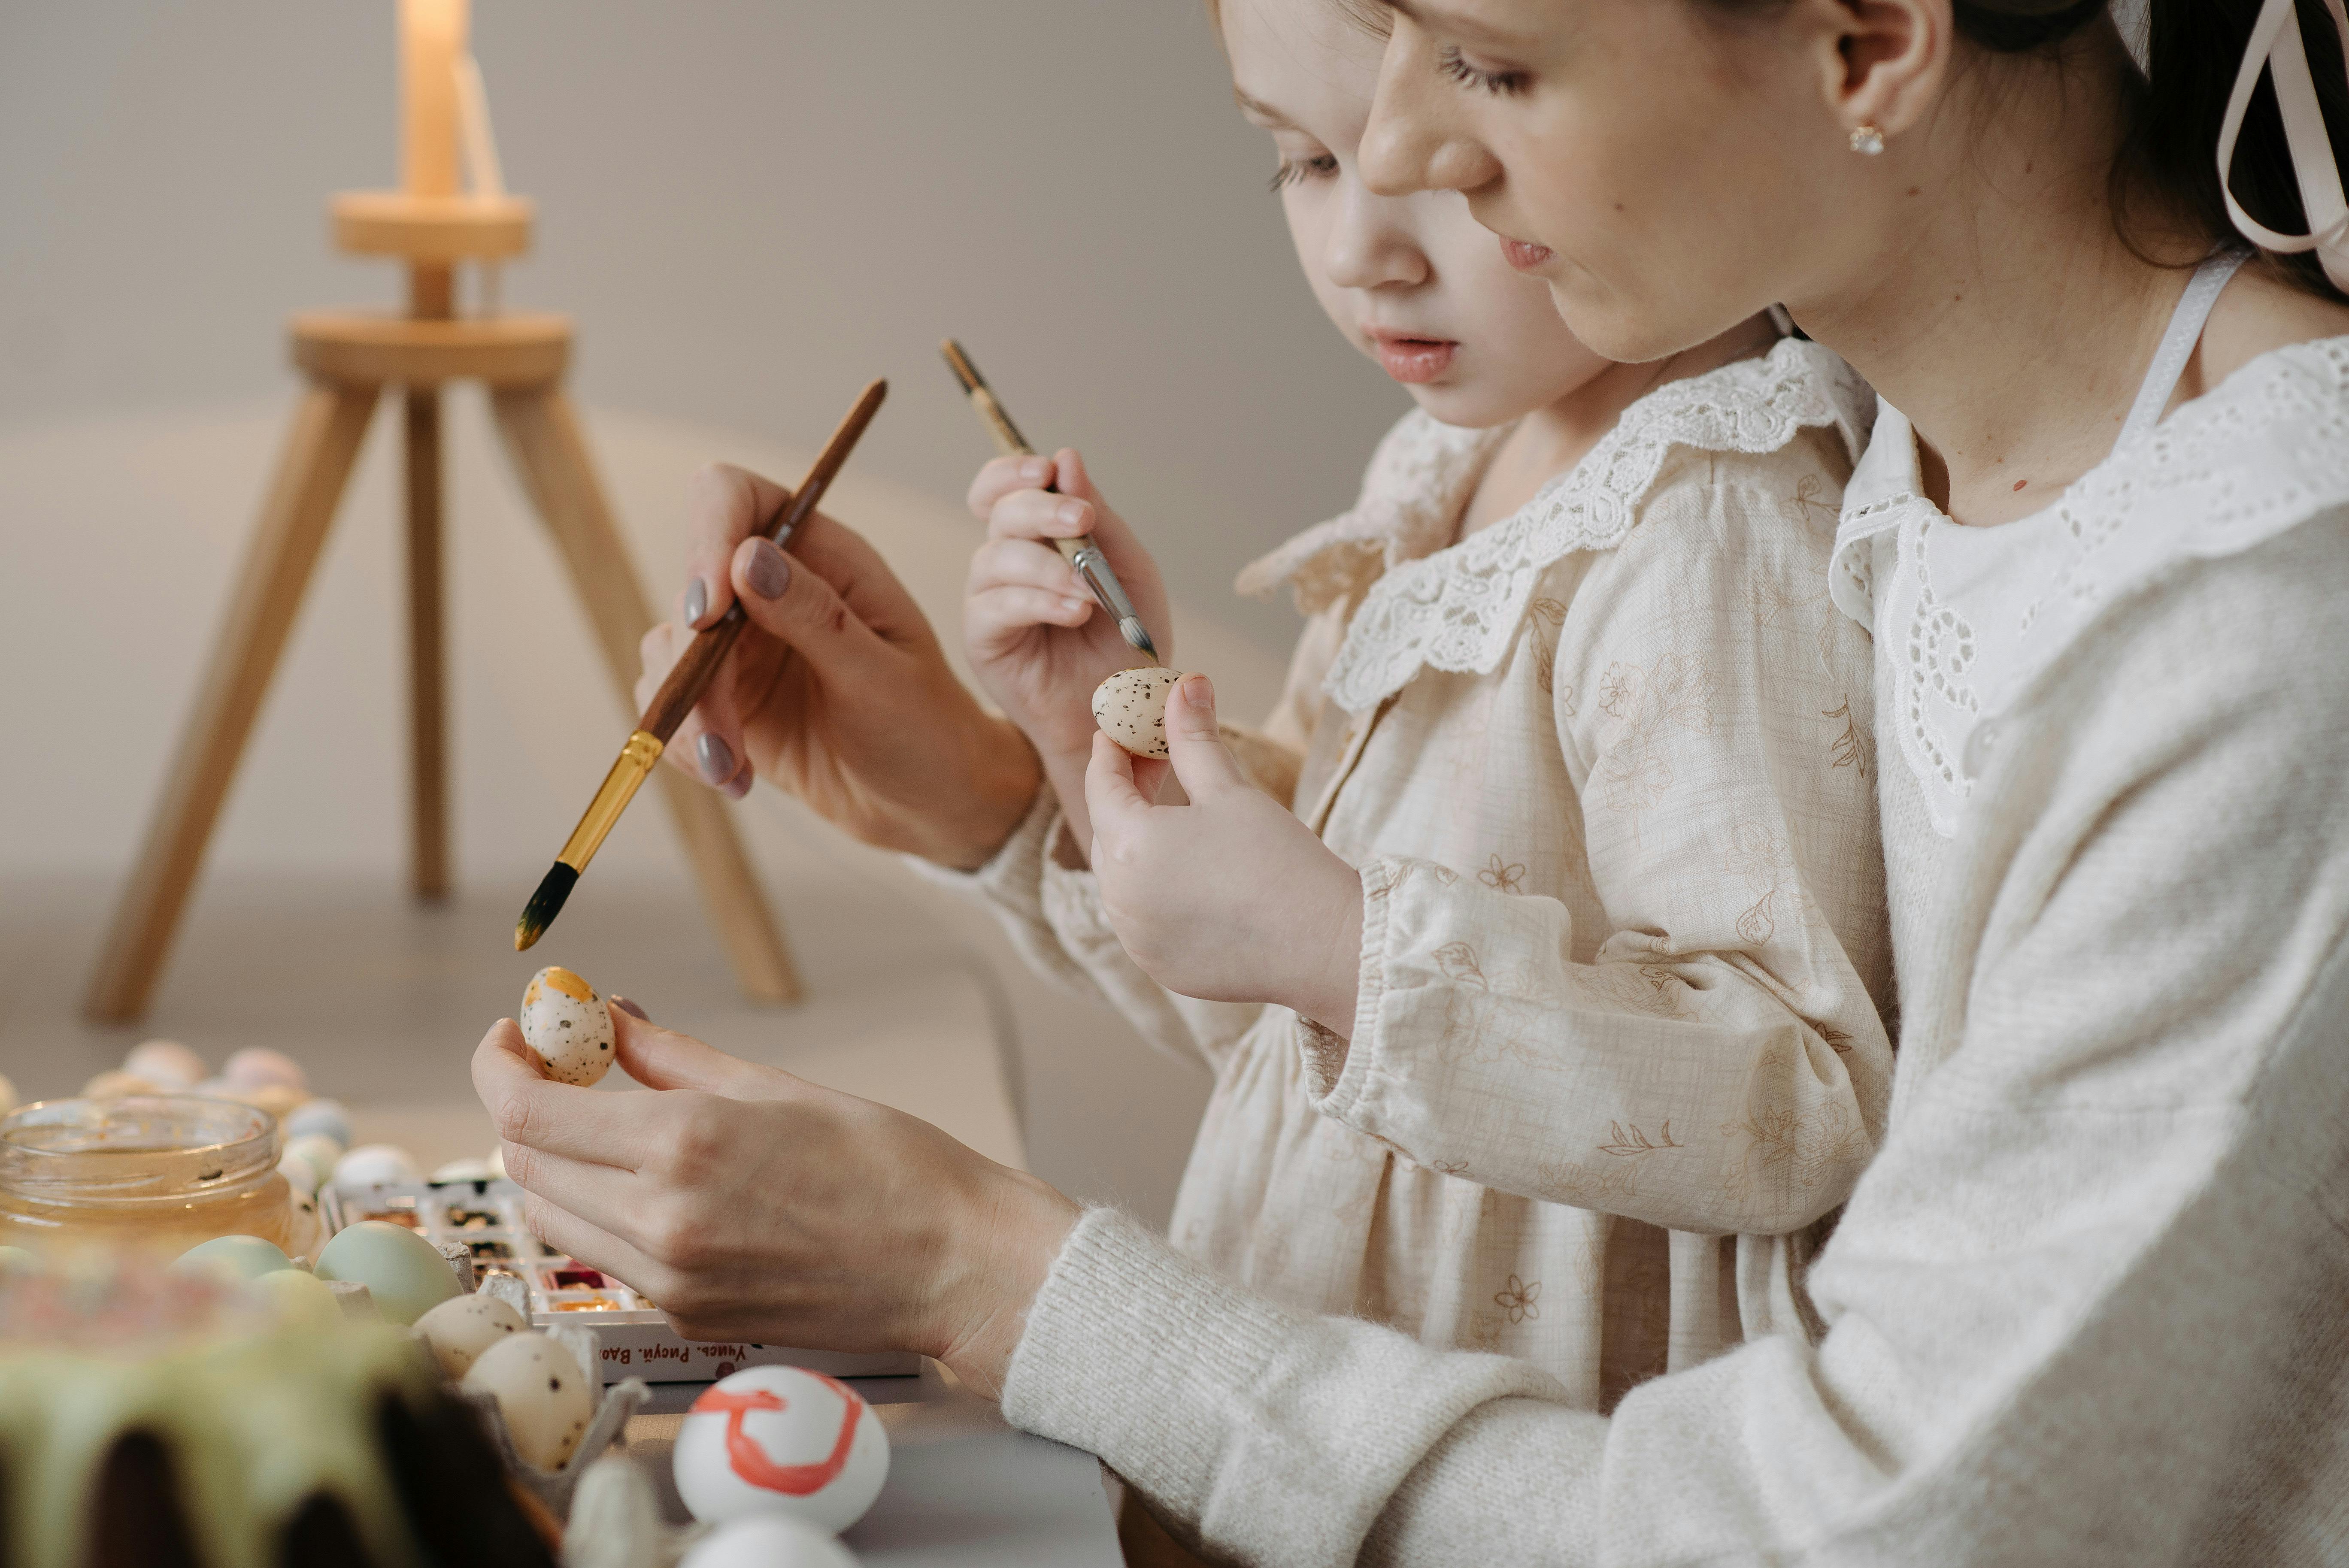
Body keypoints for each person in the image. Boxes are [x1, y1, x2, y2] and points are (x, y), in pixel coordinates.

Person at [478, 0, 2349, 1561]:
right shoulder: (1896, 457)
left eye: (1484, 60)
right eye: (1311, 138)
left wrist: (981, 1266)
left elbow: (1840, 1481)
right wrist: (1000, 794)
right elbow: (1433, 1087)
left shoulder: (2212, 636)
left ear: (1866, 43)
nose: (1386, 155)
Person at [932, 0, 1888, 1407]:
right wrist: (1100, 734)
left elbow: (1791, 1104)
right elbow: (1291, 1035)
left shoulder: (1708, 524)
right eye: (1304, 162)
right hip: (1307, 1411)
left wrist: (1335, 944)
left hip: (1525, 1444)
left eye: (1446, 157)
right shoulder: (1446, 472)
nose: (1356, 253)